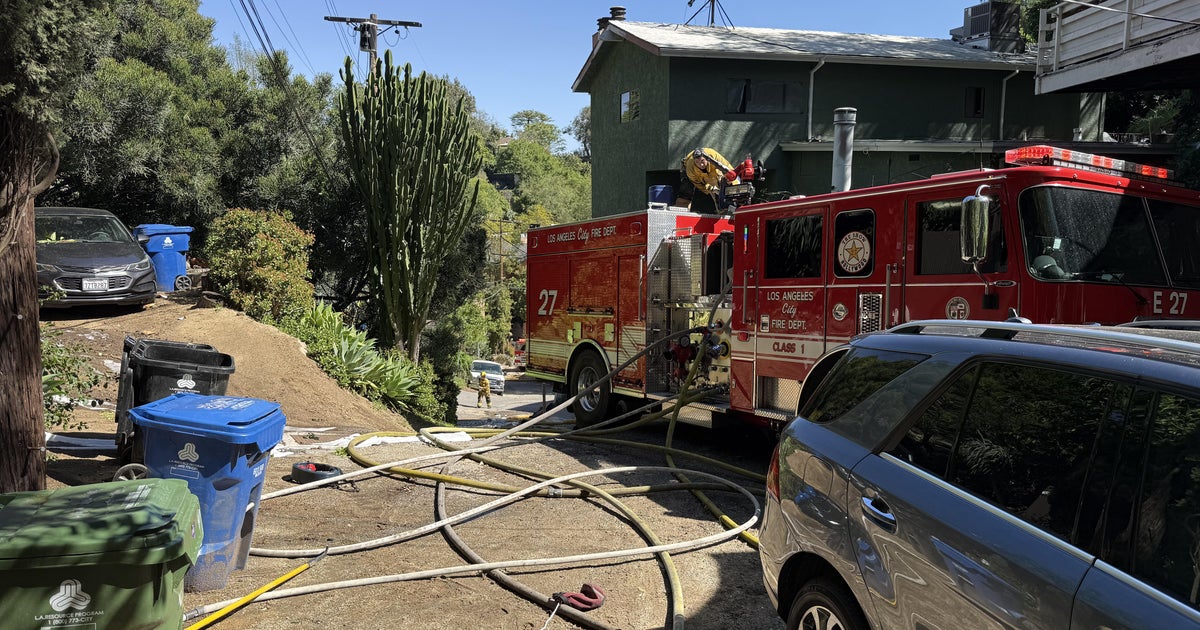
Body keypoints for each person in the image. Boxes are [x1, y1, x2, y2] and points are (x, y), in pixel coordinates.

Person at [676, 147, 739, 213]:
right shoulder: (690, 168)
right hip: (694, 175)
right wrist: (710, 189)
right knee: (686, 190)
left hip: (713, 172)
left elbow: (731, 173)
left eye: (702, 161)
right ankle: (681, 211)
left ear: (707, 158)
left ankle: (725, 209)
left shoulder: (714, 157)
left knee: (725, 182)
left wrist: (735, 190)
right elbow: (699, 184)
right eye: (697, 162)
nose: (701, 164)